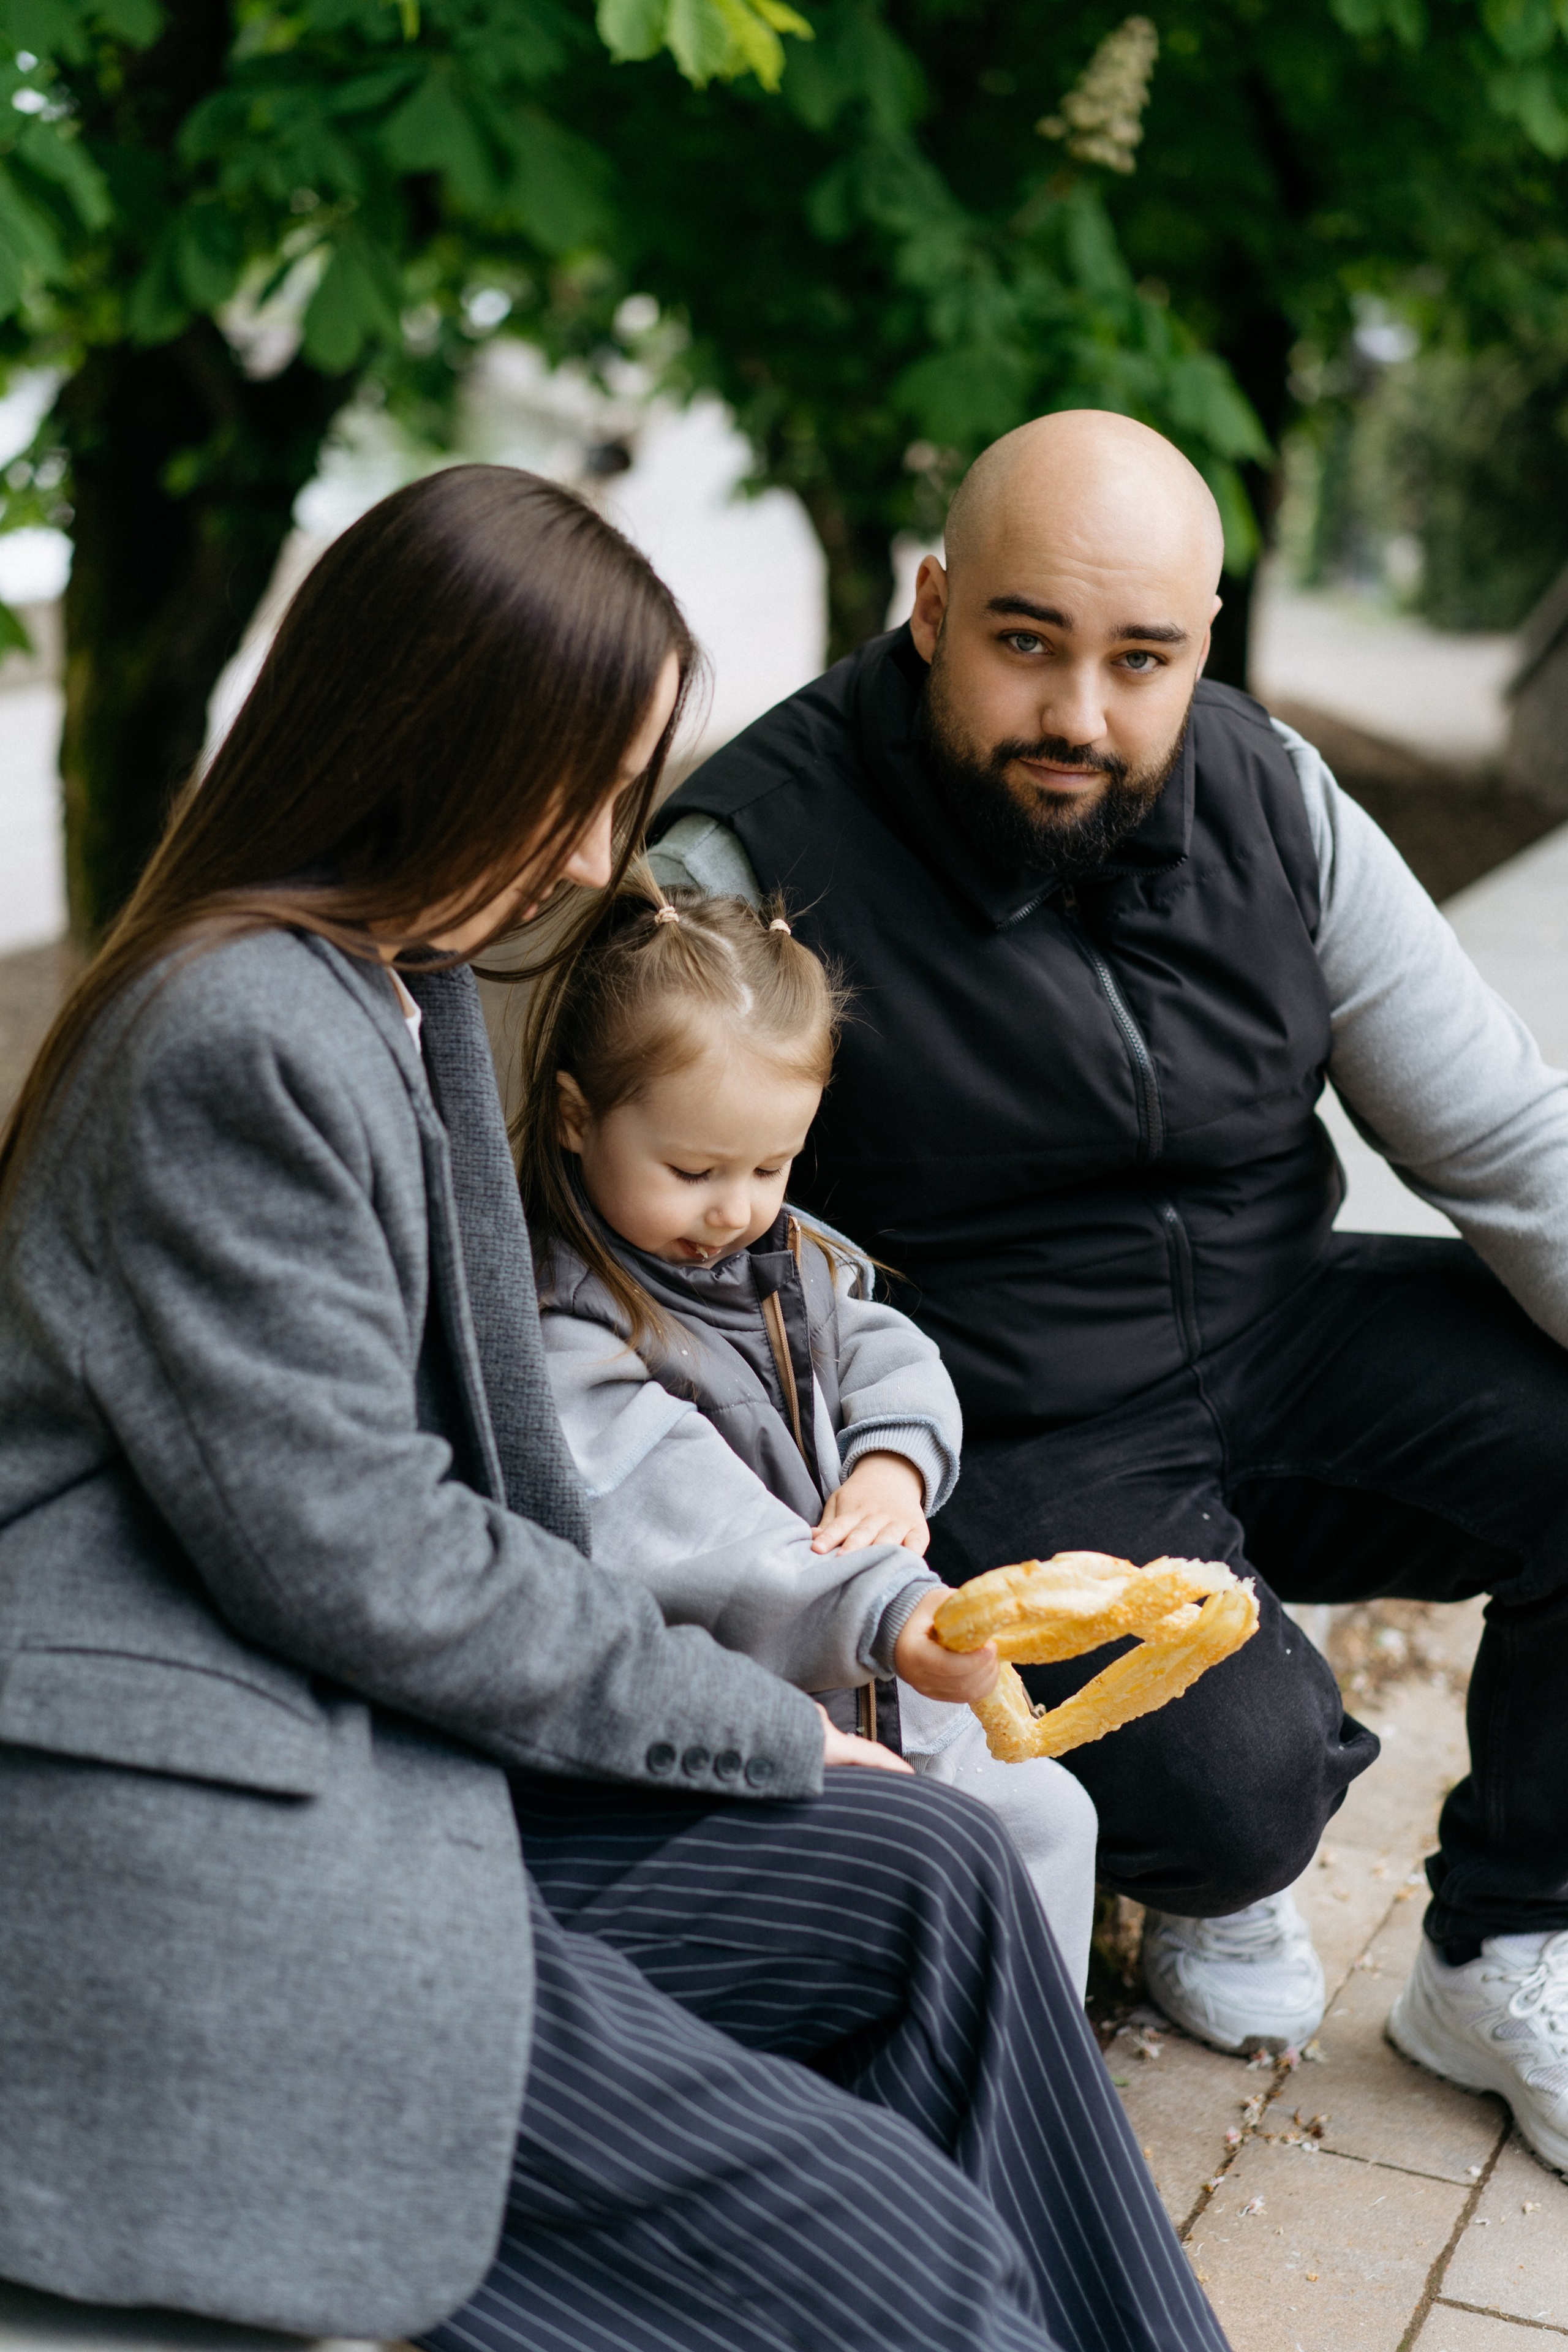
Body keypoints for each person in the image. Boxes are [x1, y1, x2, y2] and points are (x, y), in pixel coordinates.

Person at [0, 462, 1232, 2352]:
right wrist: (741, 1714)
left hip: (384, 1772)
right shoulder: (231, 1036)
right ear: (433, 739)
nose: (593, 857)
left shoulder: (385, 993)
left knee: (943, 1871)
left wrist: (786, 1704)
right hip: (225, 1866)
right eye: (573, 788)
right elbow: (370, 1556)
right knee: (905, 2258)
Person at [652, 409, 1568, 2170]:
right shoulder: (750, 855)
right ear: (931, 607)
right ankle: (1206, 1866)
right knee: (1240, 1793)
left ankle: (1503, 1946)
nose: (1080, 714)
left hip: (1279, 1326)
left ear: (1198, 649)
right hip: (999, 1404)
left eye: (1138, 660)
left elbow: (1509, 1139)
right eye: (1025, 644)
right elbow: (639, 1238)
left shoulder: (1273, 794)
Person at [517, 874, 1101, 1988]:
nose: (735, 1208)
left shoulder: (786, 1262)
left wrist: (891, 1462)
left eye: (771, 1168)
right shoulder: (570, 1331)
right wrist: (884, 1608)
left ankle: (1037, 2081)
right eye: (694, 1172)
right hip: (755, 1724)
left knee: (1046, 1819)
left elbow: (890, 1352)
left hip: (895, 1681)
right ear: (578, 1116)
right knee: (908, 1893)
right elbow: (699, 1534)